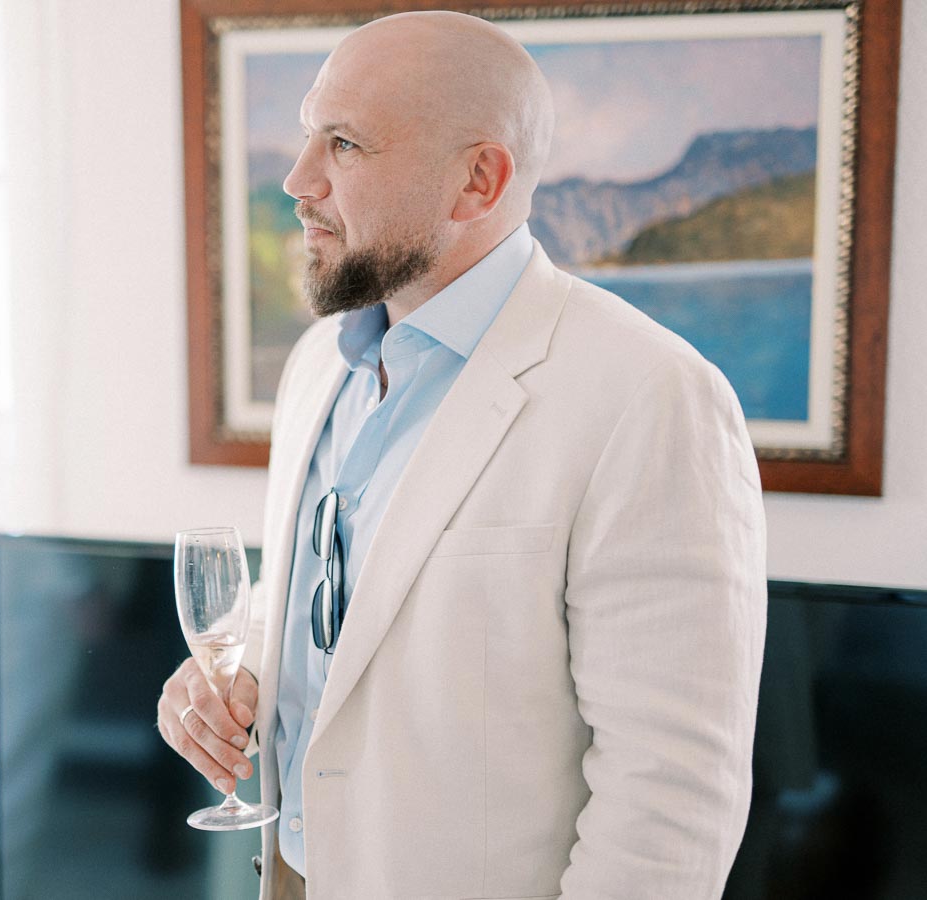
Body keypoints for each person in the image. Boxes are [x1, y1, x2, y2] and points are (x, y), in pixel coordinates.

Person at [158, 11, 767, 900]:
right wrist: (230, 682)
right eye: (305, 136)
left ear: (478, 180)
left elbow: (670, 803)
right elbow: (350, 633)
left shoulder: (653, 395)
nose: (298, 180)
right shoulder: (314, 367)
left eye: (345, 145)